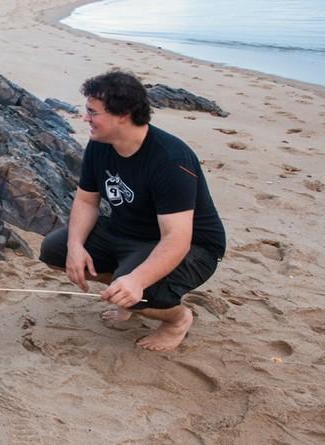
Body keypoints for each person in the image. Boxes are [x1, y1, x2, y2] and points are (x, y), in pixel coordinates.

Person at [38, 70, 226, 351]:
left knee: (138, 293)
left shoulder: (170, 159)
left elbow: (176, 238)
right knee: (56, 250)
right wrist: (76, 246)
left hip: (191, 247)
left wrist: (137, 280)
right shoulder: (100, 145)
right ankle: (124, 286)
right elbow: (86, 201)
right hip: (126, 231)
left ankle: (177, 319)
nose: (85, 118)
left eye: (93, 112)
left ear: (122, 114)